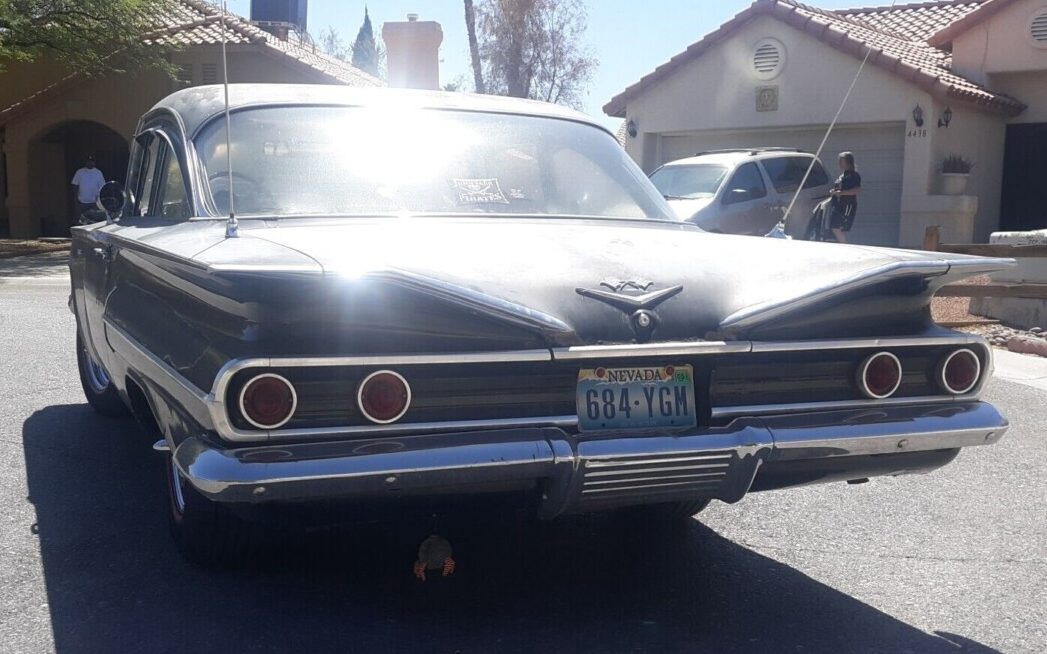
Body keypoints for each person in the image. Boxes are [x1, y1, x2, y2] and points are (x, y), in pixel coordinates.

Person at [827, 151, 861, 243]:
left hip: (846, 205)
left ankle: (844, 246)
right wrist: (833, 192)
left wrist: (842, 193)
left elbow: (857, 190)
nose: (839, 163)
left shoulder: (854, 175)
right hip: (838, 205)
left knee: (838, 227)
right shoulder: (842, 176)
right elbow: (838, 188)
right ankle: (841, 244)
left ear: (848, 162)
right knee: (834, 226)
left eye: (842, 161)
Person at [71, 155, 105, 225]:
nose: (90, 163)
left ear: (94, 162)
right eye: (88, 161)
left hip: (94, 204)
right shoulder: (79, 172)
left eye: (91, 161)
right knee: (80, 223)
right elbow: (75, 185)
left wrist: (100, 202)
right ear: (85, 162)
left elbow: (103, 188)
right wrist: (76, 200)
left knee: (93, 223)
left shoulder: (98, 173)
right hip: (81, 203)